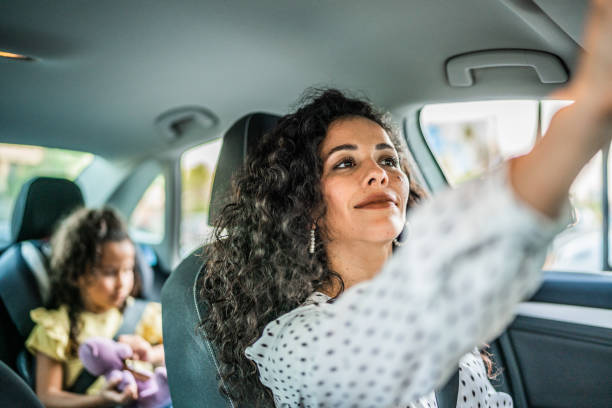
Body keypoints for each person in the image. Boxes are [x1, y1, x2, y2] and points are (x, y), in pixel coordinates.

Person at [199, 1, 612, 406]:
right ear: (304, 203)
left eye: (388, 159)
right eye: (345, 163)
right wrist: (583, 117)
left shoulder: (434, 300)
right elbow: (391, 340)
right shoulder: (296, 344)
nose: (380, 174)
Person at [25, 207, 165, 407]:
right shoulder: (56, 328)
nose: (122, 282)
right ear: (77, 274)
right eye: (110, 272)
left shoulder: (143, 314)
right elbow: (47, 395)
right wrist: (99, 400)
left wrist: (150, 355)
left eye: (127, 270)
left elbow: (176, 349)